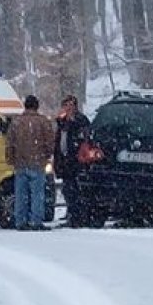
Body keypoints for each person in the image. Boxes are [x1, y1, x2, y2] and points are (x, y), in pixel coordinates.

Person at [6, 95, 54, 231]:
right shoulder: (43, 122)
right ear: (37, 106)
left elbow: (9, 142)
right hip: (37, 163)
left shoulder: (16, 122)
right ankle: (36, 221)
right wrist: (46, 155)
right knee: (37, 194)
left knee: (20, 194)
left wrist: (11, 158)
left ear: (25, 105)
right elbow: (50, 142)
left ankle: (20, 221)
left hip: (20, 163)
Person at [54, 94, 90, 227]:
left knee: (75, 189)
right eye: (66, 105)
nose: (68, 108)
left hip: (76, 162)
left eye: (71, 105)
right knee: (67, 189)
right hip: (65, 161)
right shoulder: (62, 122)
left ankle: (77, 216)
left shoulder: (80, 121)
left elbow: (84, 139)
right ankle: (71, 212)